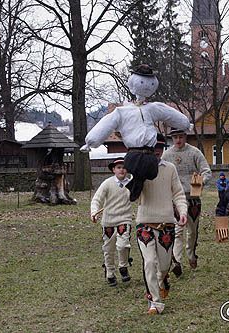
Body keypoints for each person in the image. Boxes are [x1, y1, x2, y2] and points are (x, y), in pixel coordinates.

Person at [81, 64, 190, 201]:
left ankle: (135, 186)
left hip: (150, 155)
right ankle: (134, 186)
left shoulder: (152, 108)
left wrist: (185, 124)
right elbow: (106, 123)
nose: (146, 87)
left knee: (150, 173)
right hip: (134, 154)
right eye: (143, 82)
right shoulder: (122, 112)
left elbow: (169, 114)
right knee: (140, 171)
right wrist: (91, 141)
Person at [136, 133, 188, 315]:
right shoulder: (139, 169)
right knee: (149, 262)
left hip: (166, 224)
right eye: (153, 148)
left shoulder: (170, 168)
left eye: (159, 148)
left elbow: (179, 194)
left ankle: (161, 280)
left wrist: (182, 212)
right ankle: (154, 302)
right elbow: (130, 193)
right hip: (145, 224)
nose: (157, 151)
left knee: (164, 266)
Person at [162, 128, 211, 277]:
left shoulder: (195, 152)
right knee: (177, 232)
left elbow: (206, 171)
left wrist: (199, 183)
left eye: (181, 137)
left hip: (193, 198)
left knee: (192, 231)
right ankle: (177, 261)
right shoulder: (167, 154)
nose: (178, 140)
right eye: (175, 137)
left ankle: (191, 254)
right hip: (175, 199)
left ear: (185, 137)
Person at [90, 157, 132, 286]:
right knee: (108, 249)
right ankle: (110, 272)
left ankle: (123, 267)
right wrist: (94, 212)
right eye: (118, 167)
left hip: (124, 219)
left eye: (124, 167)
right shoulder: (107, 183)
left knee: (123, 245)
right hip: (108, 221)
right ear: (113, 169)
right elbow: (97, 199)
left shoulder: (131, 182)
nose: (122, 170)